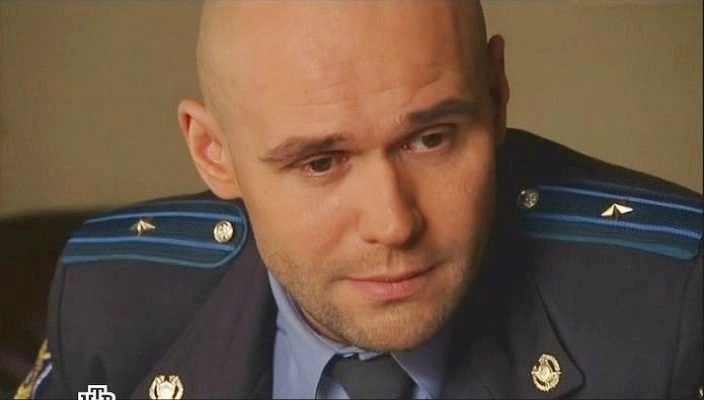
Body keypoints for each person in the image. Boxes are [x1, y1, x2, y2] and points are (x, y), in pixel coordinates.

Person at [15, 1, 702, 399]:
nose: (393, 223)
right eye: (320, 162)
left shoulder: (672, 310)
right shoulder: (109, 304)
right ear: (213, 152)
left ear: (495, 96)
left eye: (431, 139)